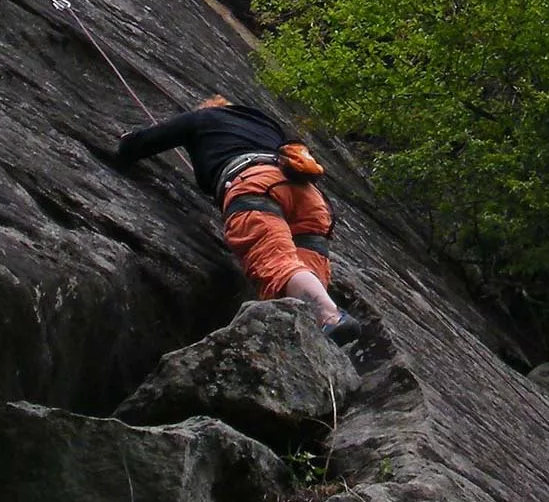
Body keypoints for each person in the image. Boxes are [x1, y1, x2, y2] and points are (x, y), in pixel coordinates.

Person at [112, 94, 362, 344]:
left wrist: (125, 144)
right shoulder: (266, 124)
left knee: (277, 263)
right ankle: (317, 335)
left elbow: (148, 141)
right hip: (309, 196)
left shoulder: (203, 118)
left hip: (257, 184)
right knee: (306, 270)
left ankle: (330, 318)